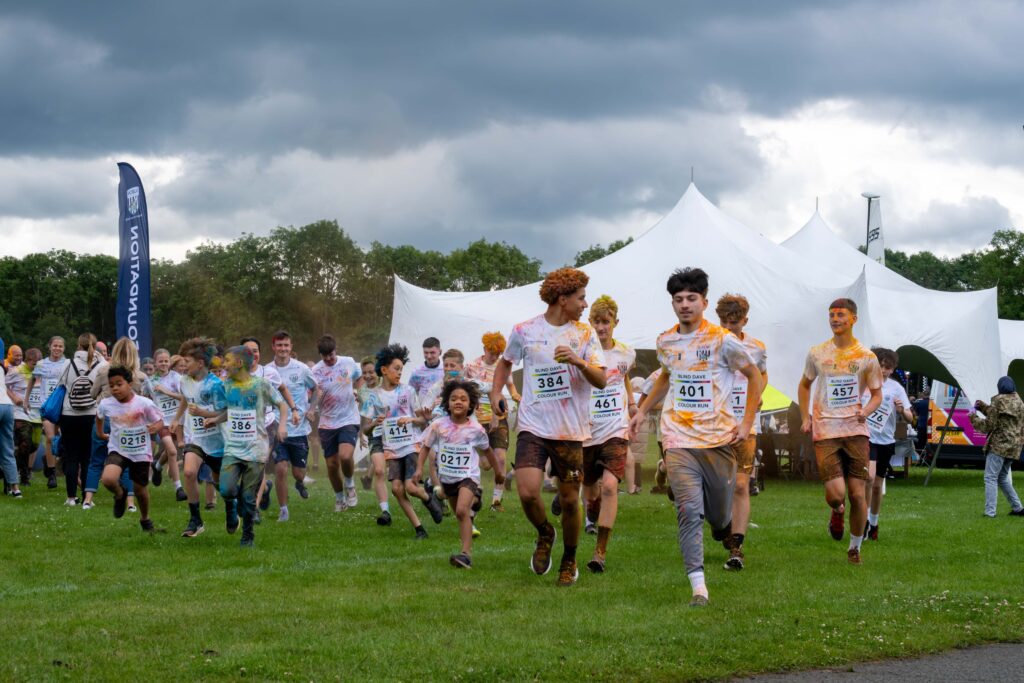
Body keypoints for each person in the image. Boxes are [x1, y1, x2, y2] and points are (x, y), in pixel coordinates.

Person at [628, 268, 761, 606]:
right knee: (688, 510)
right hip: (677, 437)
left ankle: (723, 528)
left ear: (703, 302)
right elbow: (665, 378)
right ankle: (698, 586)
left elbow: (754, 376)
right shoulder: (666, 341)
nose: (684, 305)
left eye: (691, 299)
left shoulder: (722, 340)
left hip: (718, 440)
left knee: (717, 516)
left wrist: (746, 423)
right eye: (678, 300)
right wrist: (642, 412)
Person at [492, 267, 608, 587]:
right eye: (581, 298)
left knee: (570, 501)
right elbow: (505, 362)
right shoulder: (524, 330)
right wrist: (494, 392)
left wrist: (579, 361)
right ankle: (545, 532)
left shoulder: (584, 336)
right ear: (562, 299)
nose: (585, 304)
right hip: (532, 425)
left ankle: (569, 560)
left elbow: (601, 380)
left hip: (570, 431)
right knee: (528, 492)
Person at [797, 298, 882, 566]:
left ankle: (854, 548)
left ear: (853, 319)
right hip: (825, 429)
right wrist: (805, 417)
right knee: (836, 494)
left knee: (858, 493)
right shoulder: (817, 353)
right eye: (831, 315)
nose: (835, 319)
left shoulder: (867, 357)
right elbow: (804, 385)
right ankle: (837, 511)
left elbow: (877, 394)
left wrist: (865, 411)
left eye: (841, 315)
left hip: (856, 430)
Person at [416, 379, 504, 568]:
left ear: (471, 404)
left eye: (463, 399)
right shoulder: (438, 425)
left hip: (468, 477)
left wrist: (498, 473)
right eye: (454, 398)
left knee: (463, 510)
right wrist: (418, 470)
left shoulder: (476, 429)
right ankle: (476, 501)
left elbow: (488, 451)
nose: (458, 402)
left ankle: (465, 554)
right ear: (446, 402)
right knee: (459, 514)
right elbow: (425, 447)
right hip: (447, 479)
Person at [361, 343, 444, 536]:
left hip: (410, 445)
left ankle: (427, 498)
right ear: (384, 370)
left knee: (410, 487)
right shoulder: (373, 397)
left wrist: (413, 419)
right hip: (391, 449)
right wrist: (374, 424)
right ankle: (419, 529)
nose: (400, 373)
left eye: (401, 369)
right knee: (397, 489)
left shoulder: (408, 391)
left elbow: (423, 420)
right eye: (396, 369)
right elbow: (365, 430)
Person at [581, 295, 636, 573]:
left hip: (616, 427)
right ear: (589, 323)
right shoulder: (582, 351)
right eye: (597, 322)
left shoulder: (627, 352)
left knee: (611, 486)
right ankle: (591, 508)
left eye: (607, 322)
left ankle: (599, 553)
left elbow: (623, 374)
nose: (602, 328)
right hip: (586, 431)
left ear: (616, 322)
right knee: (590, 490)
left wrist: (633, 403)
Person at [715, 294, 768, 571]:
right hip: (714, 425)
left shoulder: (756, 347)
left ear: (745, 321)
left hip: (747, 424)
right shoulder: (711, 343)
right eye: (724, 321)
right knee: (715, 486)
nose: (728, 327)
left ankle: (736, 547)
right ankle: (720, 524)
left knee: (740, 484)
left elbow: (762, 373)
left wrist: (757, 394)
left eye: (733, 322)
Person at [220, 345, 289, 547]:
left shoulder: (261, 385)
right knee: (226, 489)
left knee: (248, 497)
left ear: (239, 363)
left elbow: (282, 405)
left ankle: (247, 535)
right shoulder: (226, 385)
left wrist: (283, 425)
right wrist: (210, 418)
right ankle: (234, 507)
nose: (224, 365)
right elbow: (228, 411)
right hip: (233, 447)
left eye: (227, 361)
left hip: (256, 448)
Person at [96, 366, 175, 532]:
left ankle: (145, 519)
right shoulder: (106, 403)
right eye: (111, 385)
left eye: (119, 384)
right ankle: (120, 494)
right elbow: (99, 415)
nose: (115, 388)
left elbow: (160, 420)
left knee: (140, 490)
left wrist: (155, 427)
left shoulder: (144, 403)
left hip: (140, 452)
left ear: (130, 383)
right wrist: (100, 432)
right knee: (108, 479)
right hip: (118, 449)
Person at [174, 337, 228, 537]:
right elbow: (185, 400)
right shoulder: (184, 381)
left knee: (222, 486)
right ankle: (195, 520)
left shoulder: (215, 385)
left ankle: (231, 508)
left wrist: (207, 415)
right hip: (195, 437)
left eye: (186, 362)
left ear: (200, 363)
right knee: (189, 472)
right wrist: (177, 419)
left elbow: (226, 413)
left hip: (217, 440)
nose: (183, 366)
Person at [464, 332, 521, 511]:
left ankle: (496, 502)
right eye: (492, 352)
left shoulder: (502, 366)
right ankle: (481, 462)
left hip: (499, 414)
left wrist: (515, 395)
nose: (495, 356)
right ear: (484, 349)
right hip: (478, 418)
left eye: (498, 353)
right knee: (486, 464)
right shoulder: (471, 367)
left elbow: (510, 385)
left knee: (501, 459)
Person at [862, 347, 914, 540]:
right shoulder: (864, 385)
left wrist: (902, 411)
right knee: (869, 477)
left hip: (886, 441)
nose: (883, 370)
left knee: (877, 487)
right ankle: (865, 521)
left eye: (887, 367)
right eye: (880, 365)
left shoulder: (896, 388)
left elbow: (911, 418)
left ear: (892, 369)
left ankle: (874, 524)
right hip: (867, 437)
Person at [83, 338, 141, 511]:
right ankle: (130, 502)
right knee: (127, 461)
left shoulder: (103, 370)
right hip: (128, 421)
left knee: (96, 460)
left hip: (105, 418)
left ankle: (87, 499)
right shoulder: (138, 376)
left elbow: (93, 394)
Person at [268, 330, 316, 522]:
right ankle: (283, 510)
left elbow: (316, 388)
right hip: (277, 427)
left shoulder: (302, 369)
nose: (283, 349)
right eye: (279, 345)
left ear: (291, 347)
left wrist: (312, 409)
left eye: (286, 345)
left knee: (298, 473)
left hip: (299, 429)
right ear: (273, 347)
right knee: (280, 469)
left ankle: (299, 483)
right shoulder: (267, 370)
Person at [311, 334, 363, 512]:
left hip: (349, 418)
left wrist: (359, 392)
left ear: (336, 350)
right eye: (324, 356)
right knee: (332, 464)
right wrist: (311, 407)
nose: (328, 359)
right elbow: (312, 393)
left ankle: (349, 484)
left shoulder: (348, 362)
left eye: (331, 354)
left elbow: (360, 376)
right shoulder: (316, 371)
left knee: (346, 456)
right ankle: (340, 498)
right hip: (327, 421)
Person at [56, 333, 107, 506]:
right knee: (87, 457)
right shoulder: (101, 364)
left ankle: (71, 497)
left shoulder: (67, 363)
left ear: (78, 345)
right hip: (91, 413)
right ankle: (87, 498)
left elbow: (60, 385)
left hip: (69, 414)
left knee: (71, 457)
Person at [970, 377, 1024, 518]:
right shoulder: (1020, 402)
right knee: (1002, 478)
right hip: (1014, 446)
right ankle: (1018, 508)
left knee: (990, 477)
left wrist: (973, 418)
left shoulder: (998, 401)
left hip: (999, 445)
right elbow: (1001, 417)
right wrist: (982, 406)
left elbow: (989, 425)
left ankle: (990, 512)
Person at [23, 336, 67, 488]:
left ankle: (49, 461)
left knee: (62, 439)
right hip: (47, 406)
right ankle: (52, 473)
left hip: (63, 406)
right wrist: (26, 399)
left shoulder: (68, 364)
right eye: (55, 345)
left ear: (64, 348)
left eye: (60, 346)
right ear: (49, 346)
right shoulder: (41, 364)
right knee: (50, 437)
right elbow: (32, 380)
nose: (57, 349)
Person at [146, 348, 187, 501]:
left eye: (166, 361)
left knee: (171, 451)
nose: (163, 363)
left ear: (170, 362)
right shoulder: (150, 381)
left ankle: (156, 466)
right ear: (155, 363)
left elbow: (185, 398)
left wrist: (166, 391)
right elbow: (145, 398)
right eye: (160, 361)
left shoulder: (176, 377)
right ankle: (179, 489)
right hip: (162, 421)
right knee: (172, 451)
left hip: (178, 420)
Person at [6, 347, 41, 487]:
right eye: (34, 364)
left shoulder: (41, 372)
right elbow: (3, 385)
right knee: (25, 443)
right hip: (20, 412)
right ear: (27, 361)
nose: (36, 367)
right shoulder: (16, 371)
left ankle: (15, 459)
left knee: (34, 445)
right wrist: (14, 397)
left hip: (37, 414)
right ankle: (24, 475)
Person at [409, 337, 444, 404]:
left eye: (432, 352)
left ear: (440, 352)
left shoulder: (446, 369)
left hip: (442, 412)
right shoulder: (417, 372)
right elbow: (410, 394)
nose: (429, 356)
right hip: (423, 412)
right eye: (426, 353)